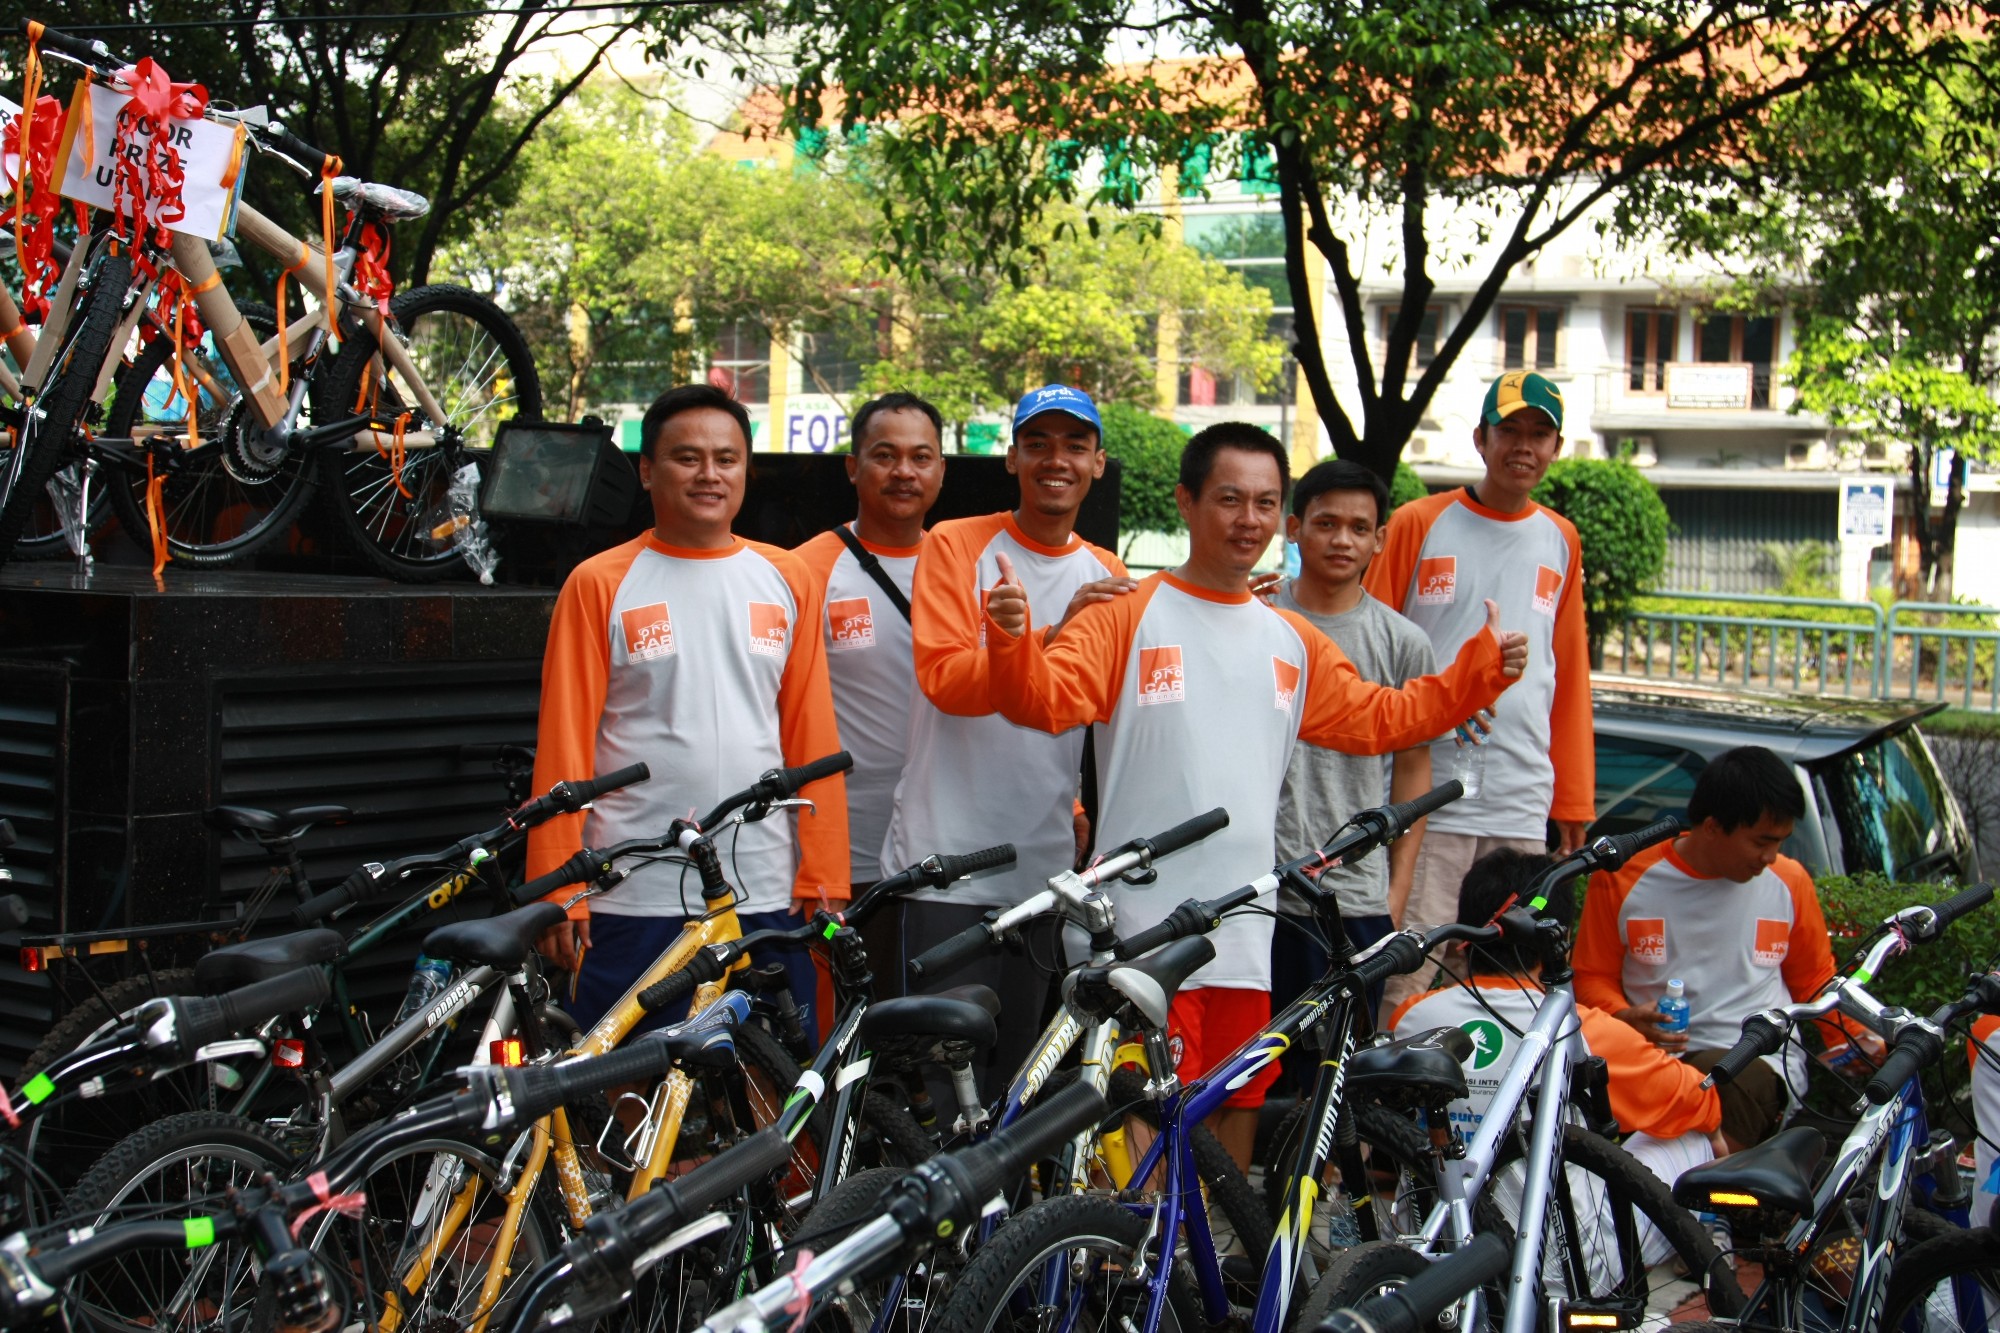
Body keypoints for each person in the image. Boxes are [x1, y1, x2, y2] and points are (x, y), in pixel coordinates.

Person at [982, 421, 1527, 1171]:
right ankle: (1130, 1245)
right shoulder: (1125, 614)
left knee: (1234, 1113)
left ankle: (1213, 1248)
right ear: (1187, 502)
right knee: (1139, 1126)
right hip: (1143, 932)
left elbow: (1382, 719)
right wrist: (1013, 640)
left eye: (1266, 503)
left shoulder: (1290, 638)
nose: (1249, 520)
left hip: (1243, 933)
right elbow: (1041, 699)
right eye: (1230, 499)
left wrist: (1480, 672)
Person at [528, 384, 849, 1038]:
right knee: (627, 1081)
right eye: (687, 458)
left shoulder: (788, 577)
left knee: (775, 1079)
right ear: (647, 471)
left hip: (765, 886)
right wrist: (558, 889)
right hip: (632, 888)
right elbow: (565, 742)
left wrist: (825, 870)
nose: (710, 474)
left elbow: (811, 733)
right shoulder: (599, 582)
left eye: (726, 459)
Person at [882, 383, 1133, 1082]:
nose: (1057, 460)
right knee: (939, 1082)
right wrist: (1043, 634)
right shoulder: (955, 543)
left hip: (1042, 868)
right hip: (945, 862)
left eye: (1075, 445)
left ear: (1097, 463)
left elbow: (1092, 703)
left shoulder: (1108, 573)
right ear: (1012, 458)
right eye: (1038, 444)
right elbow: (946, 680)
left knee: (1016, 1079)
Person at [1365, 370, 1595, 1019]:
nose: (1523, 445)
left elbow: (1568, 671)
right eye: (1509, 429)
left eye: (1539, 434)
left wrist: (1573, 798)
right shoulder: (1419, 522)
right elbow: (1372, 650)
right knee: (1412, 965)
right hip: (1428, 794)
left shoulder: (1561, 538)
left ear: (1555, 448)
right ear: (1480, 438)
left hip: (1521, 798)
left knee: (1510, 975)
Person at [1388, 847, 1724, 1268]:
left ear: (1466, 932)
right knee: (1693, 1136)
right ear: (1558, 938)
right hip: (1558, 1265)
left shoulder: (1412, 1016)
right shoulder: (1582, 1027)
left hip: (1430, 1253)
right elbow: (1699, 1100)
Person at [1572, 745, 1877, 1149]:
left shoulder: (1790, 881)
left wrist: (1855, 1037)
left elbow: (1815, 979)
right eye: (1761, 842)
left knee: (1717, 1081)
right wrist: (1624, 1017)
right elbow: (1592, 976)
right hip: (1652, 1060)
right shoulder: (1623, 876)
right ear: (1713, 827)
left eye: (1781, 843)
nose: (1771, 857)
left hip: (1757, 1063)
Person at [1272, 459, 1437, 1024]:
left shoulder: (1404, 642)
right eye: (1326, 524)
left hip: (1358, 899)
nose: (1343, 540)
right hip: (1258, 894)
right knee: (1248, 1066)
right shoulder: (1257, 617)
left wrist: (1398, 888)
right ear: (1295, 529)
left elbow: (1414, 768)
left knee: (1337, 1069)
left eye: (1359, 528)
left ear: (1379, 540)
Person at [794, 393, 947, 892]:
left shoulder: (966, 568)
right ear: (852, 467)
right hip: (842, 852)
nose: (904, 472)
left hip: (943, 849)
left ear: (941, 470)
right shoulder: (803, 570)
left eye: (920, 457)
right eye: (885, 455)